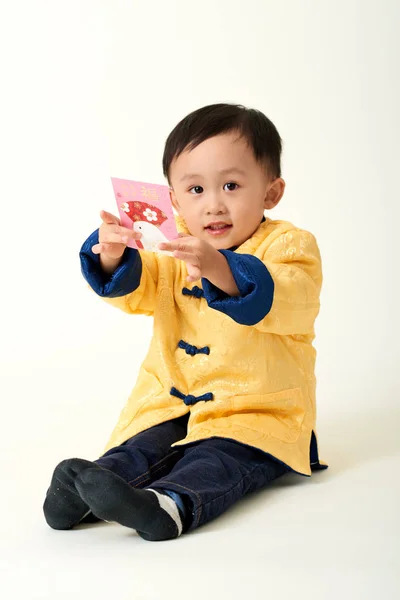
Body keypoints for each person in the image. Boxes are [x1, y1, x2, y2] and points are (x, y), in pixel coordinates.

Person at [43, 103, 327, 541]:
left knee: (217, 461)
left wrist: (221, 268)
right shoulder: (171, 244)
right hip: (172, 401)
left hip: (258, 412)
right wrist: (115, 257)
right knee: (142, 447)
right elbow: (138, 289)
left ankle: (168, 506)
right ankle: (90, 489)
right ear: (173, 199)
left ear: (271, 193)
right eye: (195, 190)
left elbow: (292, 296)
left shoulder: (288, 245)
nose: (214, 205)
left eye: (231, 185)